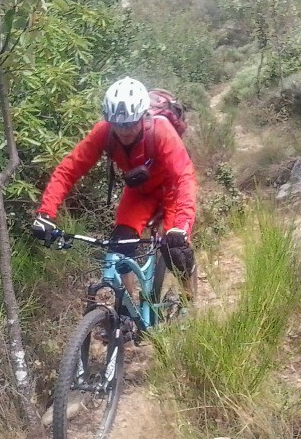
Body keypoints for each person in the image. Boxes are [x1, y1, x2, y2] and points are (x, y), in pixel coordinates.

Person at [31, 77, 198, 300]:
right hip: (139, 195)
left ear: (141, 116)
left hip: (172, 193)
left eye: (130, 123)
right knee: (119, 249)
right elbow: (68, 169)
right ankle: (125, 313)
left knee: (176, 251)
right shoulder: (105, 132)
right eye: (118, 124)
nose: (124, 130)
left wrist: (180, 226)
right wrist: (46, 213)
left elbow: (184, 177)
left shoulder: (160, 131)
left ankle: (190, 301)